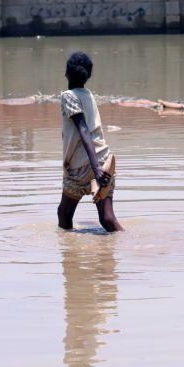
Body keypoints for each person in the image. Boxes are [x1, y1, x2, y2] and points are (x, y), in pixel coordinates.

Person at [57, 52, 123, 232]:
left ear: (66, 73)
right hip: (103, 161)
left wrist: (95, 169)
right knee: (107, 219)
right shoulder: (89, 95)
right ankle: (128, 244)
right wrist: (99, 169)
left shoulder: (68, 96)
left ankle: (68, 255)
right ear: (89, 76)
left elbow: (83, 130)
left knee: (64, 215)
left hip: (81, 167)